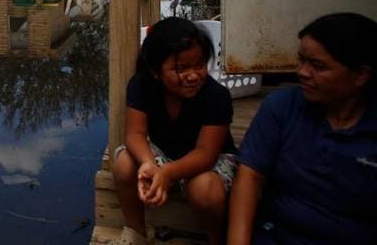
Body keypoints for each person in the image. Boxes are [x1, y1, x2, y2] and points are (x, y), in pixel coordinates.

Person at [228, 12, 377, 244]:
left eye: (317, 66)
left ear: (360, 75)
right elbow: (249, 177)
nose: (302, 72)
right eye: (301, 60)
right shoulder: (283, 106)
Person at [112, 17, 237, 245]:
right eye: (181, 69)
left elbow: (205, 154)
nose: (193, 75)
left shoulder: (216, 96)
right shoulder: (141, 85)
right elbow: (135, 134)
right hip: (164, 152)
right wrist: (149, 164)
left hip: (208, 162)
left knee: (204, 189)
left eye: (199, 65)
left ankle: (218, 239)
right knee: (124, 164)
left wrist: (167, 173)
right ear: (156, 70)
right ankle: (137, 233)